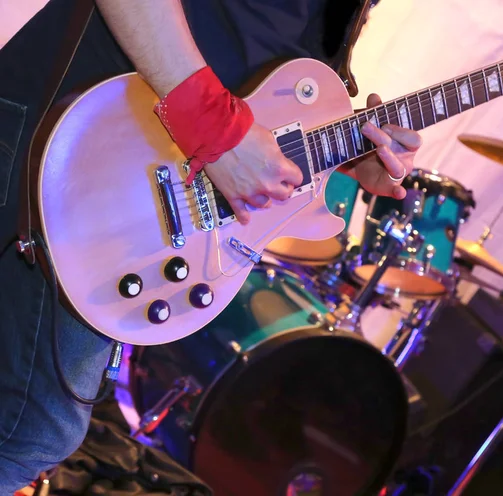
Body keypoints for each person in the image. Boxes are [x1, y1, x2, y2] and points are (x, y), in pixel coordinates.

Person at [0, 0, 422, 492]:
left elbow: (259, 51)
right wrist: (218, 132)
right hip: (86, 138)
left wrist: (342, 149)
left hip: (133, 156)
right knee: (27, 430)